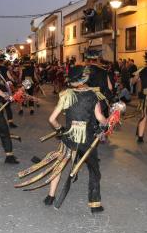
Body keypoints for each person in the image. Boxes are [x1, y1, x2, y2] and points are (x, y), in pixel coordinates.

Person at [17, 65, 108, 213]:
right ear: (85, 78)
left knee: (59, 164)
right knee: (94, 170)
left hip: (69, 136)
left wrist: (60, 130)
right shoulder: (93, 95)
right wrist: (107, 124)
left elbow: (52, 119)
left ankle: (50, 196)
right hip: (87, 139)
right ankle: (95, 204)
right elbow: (99, 117)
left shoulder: (66, 95)